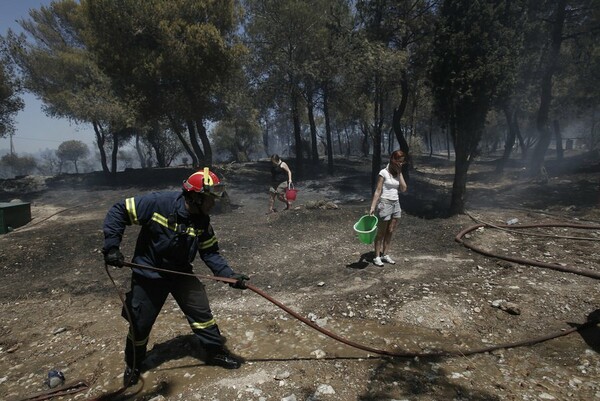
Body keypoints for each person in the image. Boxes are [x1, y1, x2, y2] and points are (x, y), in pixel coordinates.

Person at [102, 168, 250, 386]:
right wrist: (112, 247)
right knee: (140, 324)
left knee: (202, 314)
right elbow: (118, 211)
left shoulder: (202, 221)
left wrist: (229, 276)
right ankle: (133, 364)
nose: (214, 203)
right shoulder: (159, 203)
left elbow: (210, 252)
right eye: (210, 198)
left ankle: (215, 352)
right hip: (148, 274)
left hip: (181, 273)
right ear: (196, 196)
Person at [369, 150, 408, 267]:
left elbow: (404, 188)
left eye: (402, 162)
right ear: (393, 160)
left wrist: (400, 173)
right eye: (398, 162)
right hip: (385, 203)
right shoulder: (383, 173)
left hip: (396, 203)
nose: (400, 164)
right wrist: (372, 206)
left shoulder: (398, 173)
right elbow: (378, 190)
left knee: (390, 231)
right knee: (381, 232)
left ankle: (385, 254)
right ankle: (376, 257)